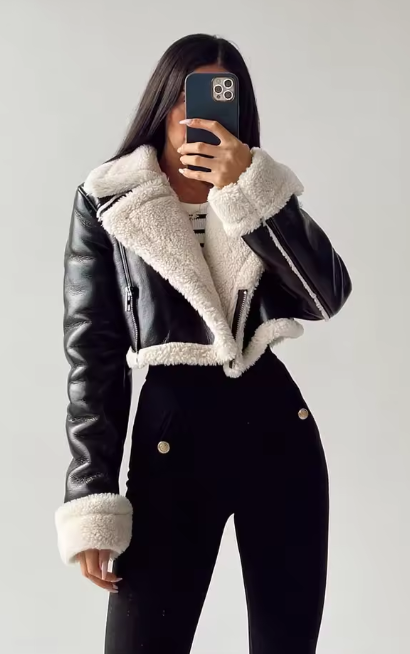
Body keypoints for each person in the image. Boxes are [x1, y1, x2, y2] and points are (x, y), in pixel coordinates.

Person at [55, 33, 352, 654]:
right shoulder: (109, 200)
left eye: (220, 97)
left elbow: (326, 297)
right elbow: (93, 357)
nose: (198, 115)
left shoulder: (260, 191)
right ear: (162, 100)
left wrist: (251, 194)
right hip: (173, 439)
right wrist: (91, 493)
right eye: (186, 97)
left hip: (279, 436)